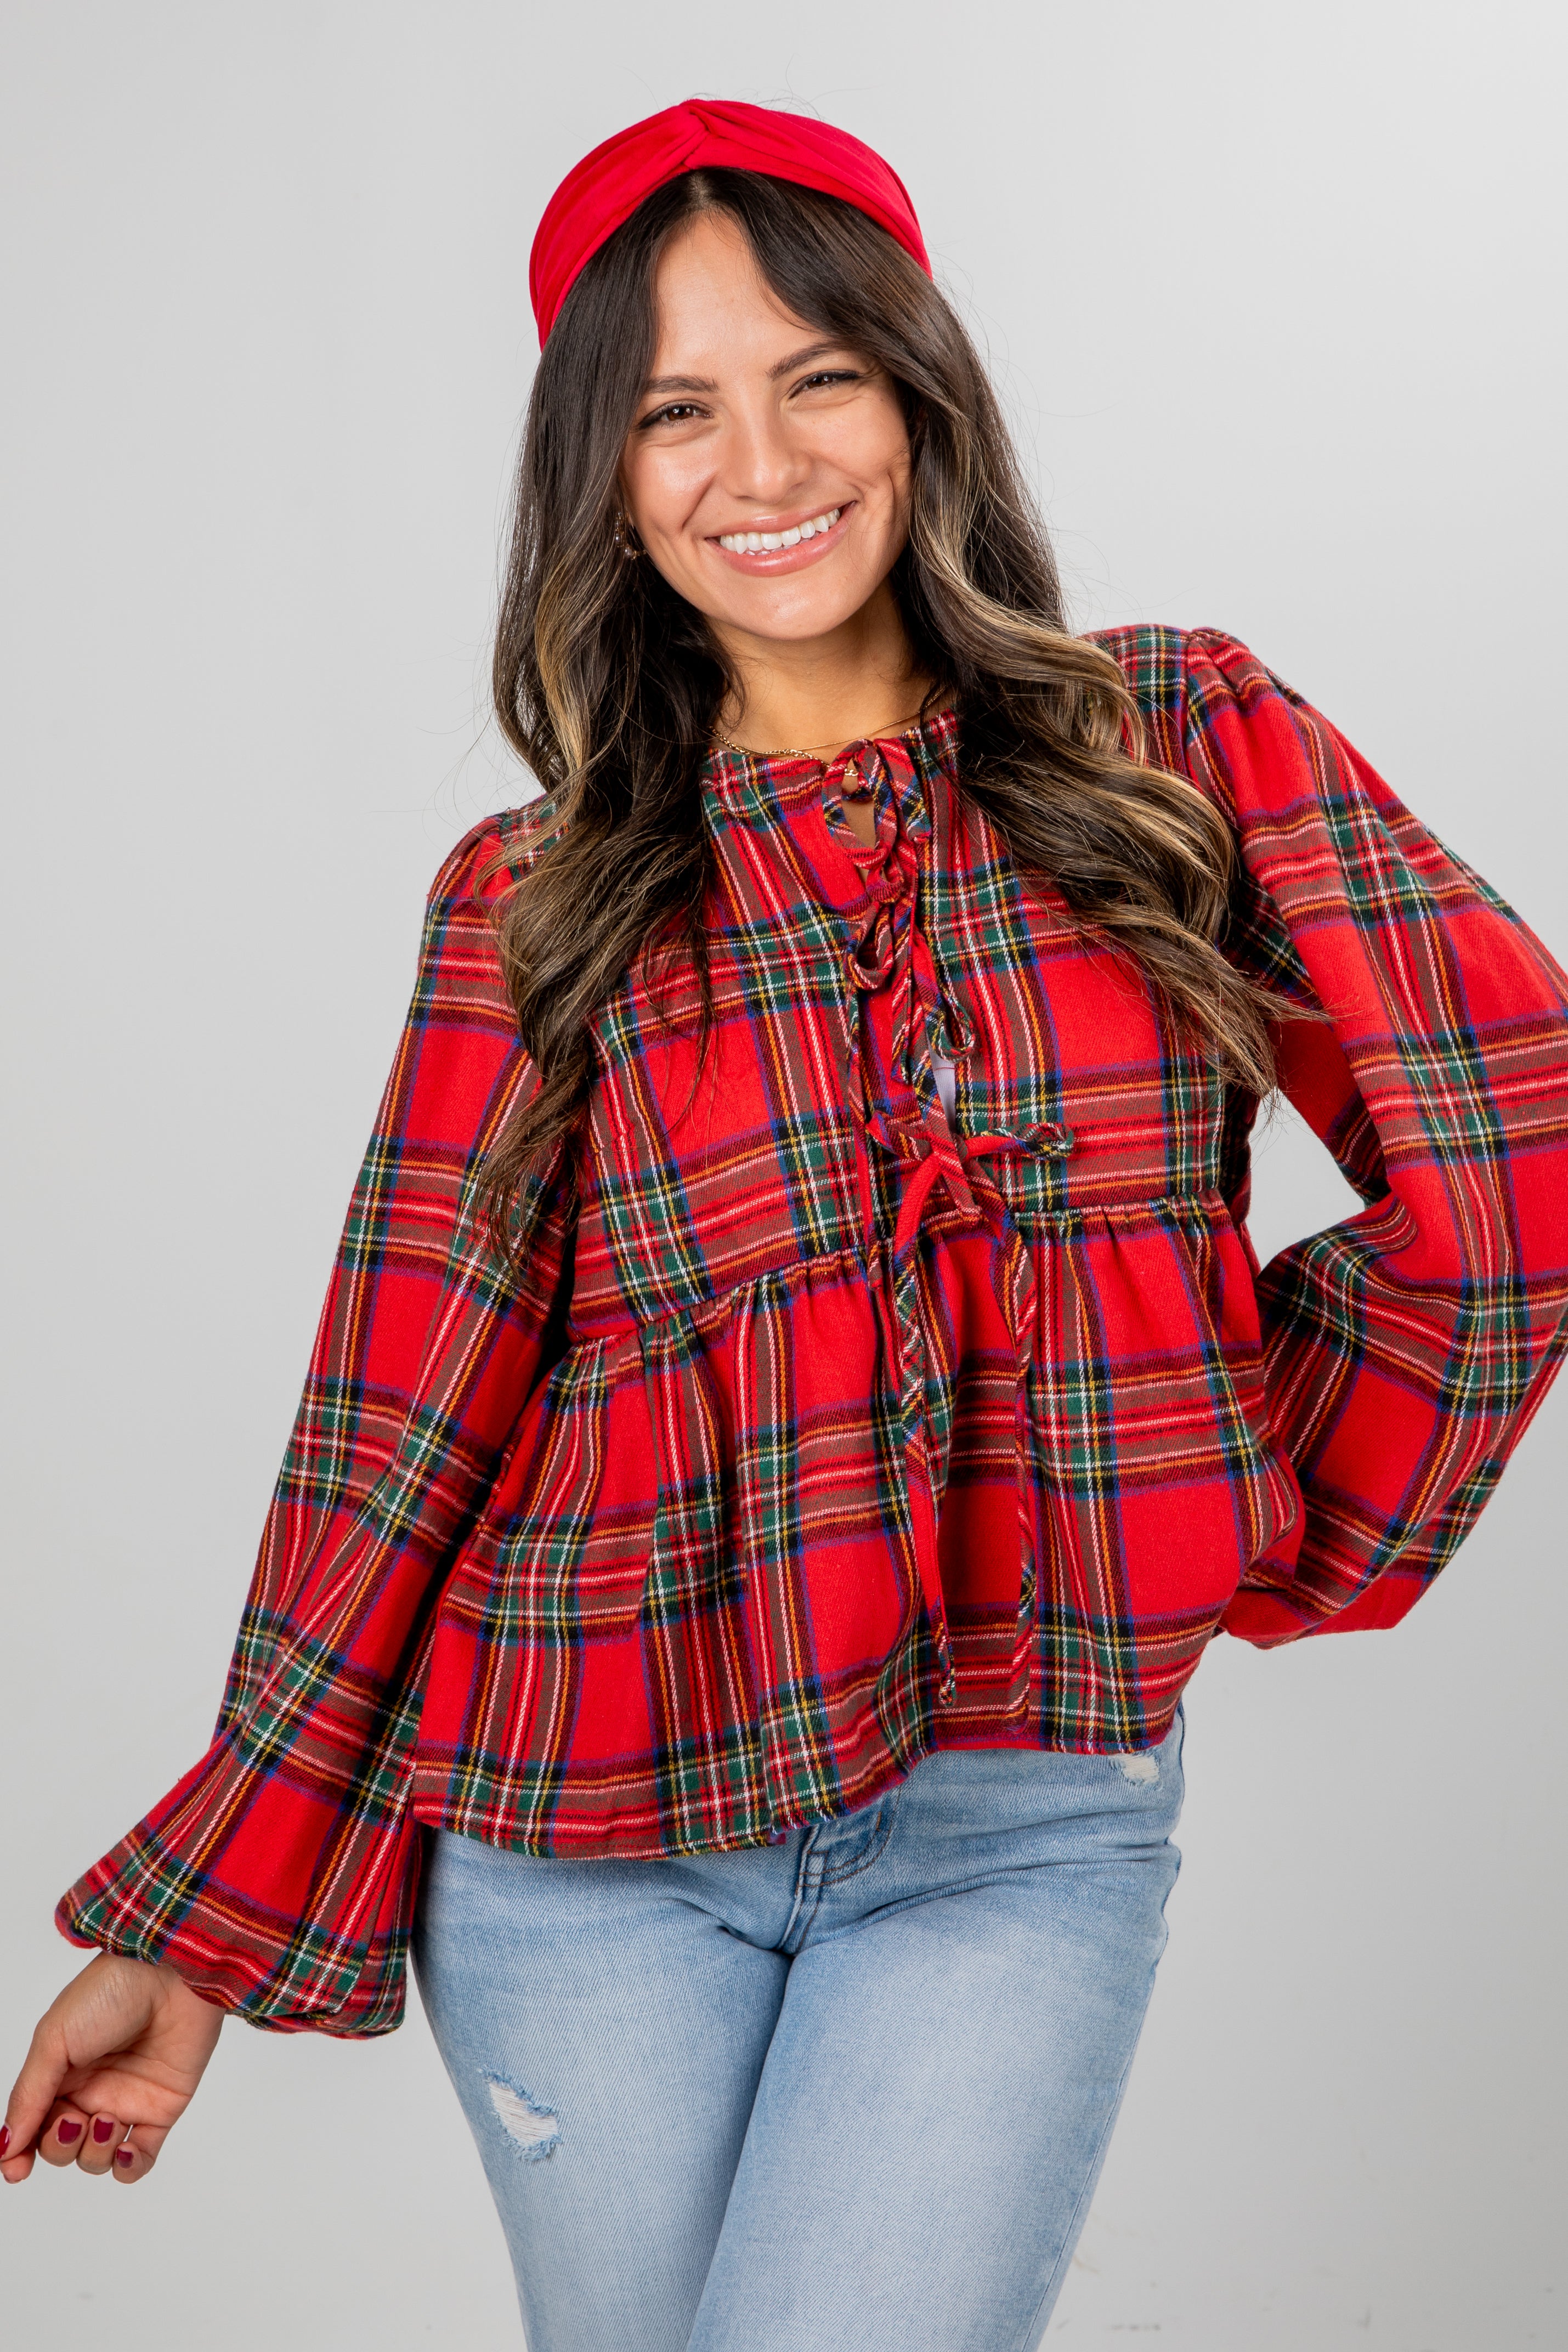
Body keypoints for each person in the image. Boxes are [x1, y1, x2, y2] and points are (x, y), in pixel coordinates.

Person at [5, 97, 1567, 2352]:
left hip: (1018, 1831)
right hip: (572, 1844)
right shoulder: (533, 901)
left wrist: (1220, 1475)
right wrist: (197, 1926)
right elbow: (397, 1425)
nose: (760, 459)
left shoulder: (1178, 748)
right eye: (672, 410)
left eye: (816, 373)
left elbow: (1515, 1143)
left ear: (917, 388)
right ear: (605, 484)